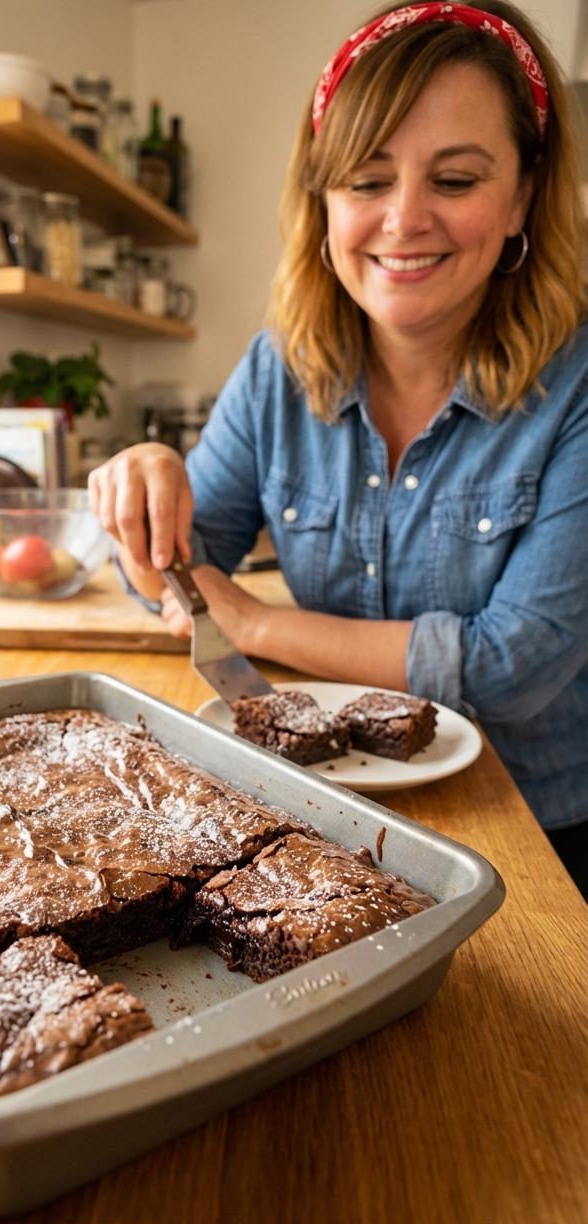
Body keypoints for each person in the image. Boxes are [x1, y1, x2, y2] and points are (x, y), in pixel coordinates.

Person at [89, 2, 588, 896]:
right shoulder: (278, 368)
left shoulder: (579, 383)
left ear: (521, 196)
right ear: (323, 202)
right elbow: (180, 577)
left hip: (537, 836)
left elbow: (512, 665)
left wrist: (253, 622)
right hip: (317, 814)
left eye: (457, 179)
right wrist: (149, 495)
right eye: (366, 180)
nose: (403, 219)